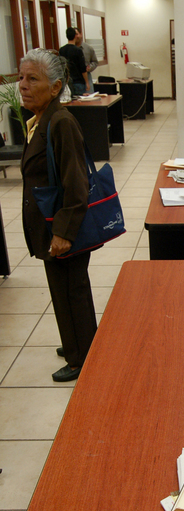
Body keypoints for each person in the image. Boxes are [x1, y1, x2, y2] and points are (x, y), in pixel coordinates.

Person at [19, 48, 97, 382]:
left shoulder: (60, 122)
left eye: (32, 79)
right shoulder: (40, 120)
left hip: (63, 226)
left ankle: (81, 357)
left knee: (70, 291)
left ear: (54, 87)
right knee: (63, 288)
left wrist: (64, 232)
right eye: (21, 77)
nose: (23, 85)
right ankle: (79, 342)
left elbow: (76, 183)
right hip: (50, 223)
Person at [59, 27, 89, 96]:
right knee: (80, 100)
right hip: (78, 82)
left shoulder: (61, 50)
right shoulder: (78, 50)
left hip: (67, 82)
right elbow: (83, 68)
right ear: (75, 36)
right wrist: (87, 82)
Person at [74, 28, 98, 92]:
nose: (76, 36)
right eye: (74, 35)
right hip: (74, 78)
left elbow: (95, 62)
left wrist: (90, 67)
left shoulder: (88, 48)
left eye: (77, 34)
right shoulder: (70, 49)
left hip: (87, 76)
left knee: (89, 95)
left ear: (81, 34)